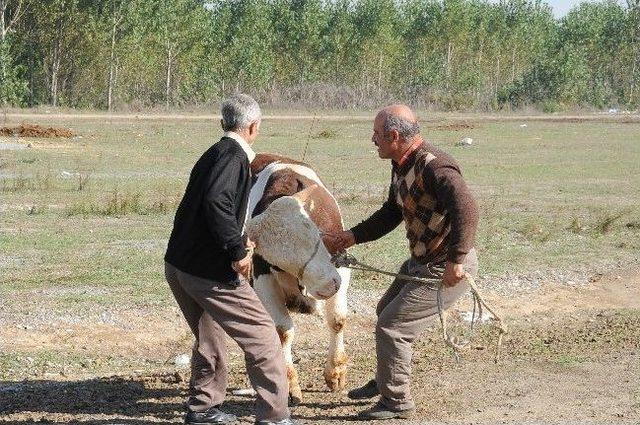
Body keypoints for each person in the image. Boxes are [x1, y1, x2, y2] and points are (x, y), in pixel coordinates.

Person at [331, 104, 479, 420]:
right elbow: (392, 212)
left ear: (394, 136)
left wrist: (457, 260)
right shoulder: (402, 163)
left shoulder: (436, 167)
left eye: (376, 135)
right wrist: (352, 236)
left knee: (394, 327)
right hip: (422, 261)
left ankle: (396, 401)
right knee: (385, 311)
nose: (373, 140)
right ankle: (387, 380)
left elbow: (467, 210)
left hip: (446, 267)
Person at [164, 94, 293, 425]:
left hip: (180, 266)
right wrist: (237, 249)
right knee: (263, 336)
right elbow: (217, 202)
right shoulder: (234, 158)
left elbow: (208, 207)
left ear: (223, 123)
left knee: (209, 335)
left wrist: (237, 238)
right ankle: (275, 416)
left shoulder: (213, 153)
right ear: (254, 127)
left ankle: (203, 409)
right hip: (209, 271)